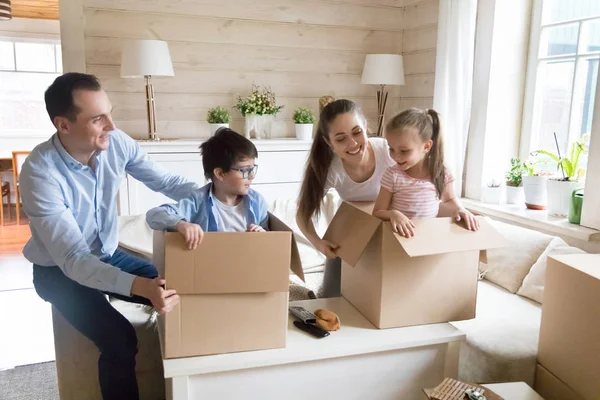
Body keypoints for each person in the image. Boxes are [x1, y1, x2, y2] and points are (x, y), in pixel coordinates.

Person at [20, 72, 198, 400]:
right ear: (63, 124)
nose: (112, 127)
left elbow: (167, 182)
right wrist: (139, 286)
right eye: (99, 119)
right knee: (120, 339)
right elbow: (74, 259)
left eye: (110, 113)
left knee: (175, 288)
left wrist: (216, 194)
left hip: (106, 252)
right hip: (58, 272)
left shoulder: (116, 143)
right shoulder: (39, 173)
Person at [296, 99, 395, 297]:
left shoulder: (387, 151)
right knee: (333, 295)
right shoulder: (331, 169)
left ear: (366, 126)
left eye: (357, 132)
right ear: (328, 142)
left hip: (390, 226)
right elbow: (303, 214)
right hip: (353, 230)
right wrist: (319, 243)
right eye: (341, 139)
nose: (353, 143)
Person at [146, 128, 268, 248]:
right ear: (220, 174)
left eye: (252, 169)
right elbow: (154, 215)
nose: (252, 175)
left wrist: (263, 234)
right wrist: (181, 224)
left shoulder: (257, 201)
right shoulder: (197, 201)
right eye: (245, 170)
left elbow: (271, 239)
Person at [373, 108, 478, 237]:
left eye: (404, 151)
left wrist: (461, 210)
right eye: (391, 149)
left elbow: (449, 199)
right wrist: (393, 214)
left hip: (428, 236)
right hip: (399, 238)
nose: (396, 156)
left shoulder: (441, 173)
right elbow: (378, 211)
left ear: (426, 146)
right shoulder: (393, 175)